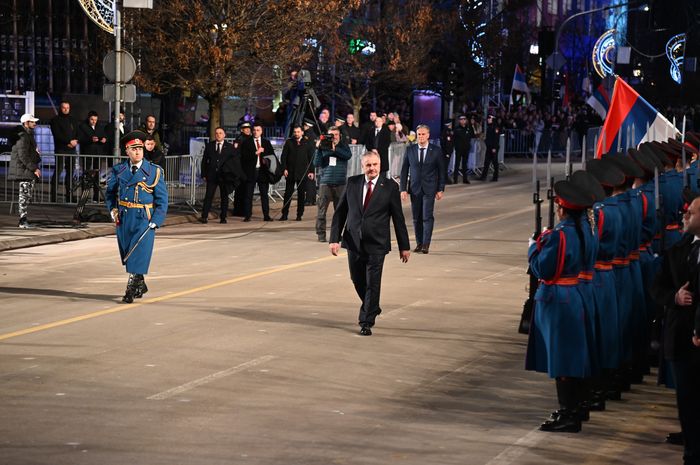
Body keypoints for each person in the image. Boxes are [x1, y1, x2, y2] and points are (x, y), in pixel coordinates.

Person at [525, 179, 595, 433]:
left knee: (562, 359)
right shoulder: (585, 228)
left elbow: (543, 269)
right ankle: (576, 408)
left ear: (562, 209)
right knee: (573, 356)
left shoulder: (561, 234)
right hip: (574, 293)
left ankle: (569, 414)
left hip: (558, 299)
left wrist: (533, 249)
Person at [329, 150, 411, 336]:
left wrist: (404, 246)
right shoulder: (352, 183)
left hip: (377, 243)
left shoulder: (390, 186)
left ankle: (366, 321)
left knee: (373, 282)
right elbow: (340, 213)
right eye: (368, 165)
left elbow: (398, 218)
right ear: (362, 166)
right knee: (357, 279)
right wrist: (334, 239)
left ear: (380, 165)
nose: (372, 168)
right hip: (353, 241)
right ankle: (372, 306)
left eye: (375, 164)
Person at [652, 193, 700, 465]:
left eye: (691, 212)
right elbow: (657, 287)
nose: (685, 215)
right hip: (682, 338)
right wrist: (675, 297)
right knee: (687, 402)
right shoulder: (678, 249)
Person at [105, 130, 168, 304]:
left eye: (140, 148)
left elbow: (162, 200)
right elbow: (110, 193)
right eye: (133, 149)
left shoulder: (154, 171)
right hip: (124, 217)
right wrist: (112, 210)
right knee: (128, 253)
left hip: (144, 218)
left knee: (137, 253)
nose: (138, 151)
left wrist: (156, 220)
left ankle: (130, 290)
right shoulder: (119, 170)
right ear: (127, 151)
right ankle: (141, 284)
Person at [399, 124, 446, 254]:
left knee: (427, 216)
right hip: (415, 189)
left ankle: (426, 244)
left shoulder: (436, 151)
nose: (421, 137)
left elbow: (442, 171)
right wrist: (403, 189)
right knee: (416, 218)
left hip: (429, 189)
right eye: (419, 134)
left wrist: (440, 188)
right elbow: (404, 171)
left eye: (423, 134)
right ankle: (419, 243)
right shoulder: (410, 150)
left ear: (428, 135)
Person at [314, 126, 351, 242]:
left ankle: (337, 235)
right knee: (321, 211)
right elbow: (316, 163)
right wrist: (318, 149)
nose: (334, 137)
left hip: (340, 183)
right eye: (331, 135)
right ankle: (321, 235)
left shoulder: (343, 146)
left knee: (340, 212)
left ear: (339, 135)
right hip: (325, 183)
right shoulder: (323, 147)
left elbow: (348, 156)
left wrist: (335, 149)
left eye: (336, 134)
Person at [9, 113, 41, 228]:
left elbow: (28, 154)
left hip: (26, 170)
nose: (35, 123)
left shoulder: (28, 135)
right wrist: (34, 168)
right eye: (32, 122)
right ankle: (22, 221)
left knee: (26, 195)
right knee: (24, 196)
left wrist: (36, 153)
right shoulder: (23, 136)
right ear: (26, 123)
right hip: (24, 170)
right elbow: (23, 156)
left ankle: (23, 219)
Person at [200, 127, 236, 224]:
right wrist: (203, 173)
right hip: (212, 175)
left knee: (224, 196)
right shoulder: (210, 146)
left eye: (220, 133)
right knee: (209, 196)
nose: (218, 135)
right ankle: (204, 216)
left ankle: (223, 217)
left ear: (224, 135)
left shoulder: (229, 147)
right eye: (216, 133)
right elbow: (204, 161)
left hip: (224, 175)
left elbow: (233, 161)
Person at [240, 123, 275, 221]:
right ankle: (247, 215)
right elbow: (244, 157)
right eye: (254, 130)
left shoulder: (266, 142)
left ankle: (266, 215)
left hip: (263, 171)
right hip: (251, 171)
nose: (256, 132)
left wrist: (265, 158)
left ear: (261, 131)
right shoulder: (247, 142)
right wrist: (256, 153)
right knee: (248, 194)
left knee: (264, 194)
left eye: (258, 130)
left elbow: (271, 156)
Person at [280, 125, 315, 221]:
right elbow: (283, 157)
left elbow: (311, 159)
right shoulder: (289, 142)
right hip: (290, 172)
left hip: (302, 173)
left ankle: (299, 214)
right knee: (288, 194)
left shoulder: (307, 143)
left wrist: (311, 171)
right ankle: (284, 214)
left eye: (298, 132)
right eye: (295, 132)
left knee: (301, 194)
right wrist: (284, 168)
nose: (296, 134)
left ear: (302, 132)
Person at [49, 101, 78, 203]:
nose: (66, 109)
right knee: (58, 172)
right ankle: (53, 197)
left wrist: (75, 141)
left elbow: (77, 132)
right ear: (60, 108)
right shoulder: (55, 120)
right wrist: (69, 142)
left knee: (70, 173)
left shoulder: (73, 120)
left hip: (72, 150)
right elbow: (57, 135)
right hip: (60, 149)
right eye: (64, 107)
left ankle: (69, 196)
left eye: (67, 108)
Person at [231, 122, 252, 217]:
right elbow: (236, 154)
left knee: (246, 190)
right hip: (241, 168)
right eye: (245, 129)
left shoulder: (250, 138)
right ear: (242, 130)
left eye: (249, 128)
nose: (248, 130)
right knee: (240, 190)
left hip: (247, 168)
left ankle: (244, 210)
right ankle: (238, 210)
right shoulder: (239, 139)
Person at [453, 114, 475, 184]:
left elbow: (473, 135)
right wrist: (456, 146)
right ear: (459, 121)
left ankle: (465, 179)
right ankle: (455, 179)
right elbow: (454, 138)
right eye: (461, 120)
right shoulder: (457, 129)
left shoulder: (468, 128)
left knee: (465, 164)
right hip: (459, 149)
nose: (463, 121)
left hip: (466, 148)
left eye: (464, 119)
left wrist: (471, 125)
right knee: (457, 164)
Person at [479, 114, 501, 182]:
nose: (488, 120)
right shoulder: (490, 127)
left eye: (489, 119)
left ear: (493, 119)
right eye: (488, 119)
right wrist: (485, 140)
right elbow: (489, 138)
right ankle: (483, 176)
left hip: (493, 147)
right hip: (489, 147)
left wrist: (494, 148)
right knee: (486, 162)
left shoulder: (495, 127)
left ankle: (495, 177)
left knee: (494, 162)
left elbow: (496, 138)